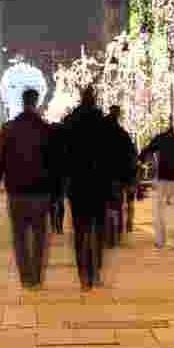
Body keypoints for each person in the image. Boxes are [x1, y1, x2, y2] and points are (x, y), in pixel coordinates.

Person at [0, 88, 56, 290]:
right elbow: (55, 162)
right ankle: (36, 277)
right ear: (36, 102)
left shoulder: (9, 128)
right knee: (39, 236)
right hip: (40, 191)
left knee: (19, 237)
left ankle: (26, 278)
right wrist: (56, 190)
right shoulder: (46, 129)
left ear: (22, 102)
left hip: (17, 192)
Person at [62, 86, 115, 290]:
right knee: (97, 231)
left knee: (80, 231)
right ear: (94, 100)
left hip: (77, 185)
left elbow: (62, 154)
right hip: (99, 185)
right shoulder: (103, 124)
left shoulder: (70, 122)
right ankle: (96, 272)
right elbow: (112, 155)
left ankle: (83, 275)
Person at [139, 120, 174, 249]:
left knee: (159, 210)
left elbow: (147, 149)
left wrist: (140, 160)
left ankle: (160, 241)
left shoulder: (159, 138)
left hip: (162, 176)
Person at [106, 106, 137, 248]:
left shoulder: (100, 132)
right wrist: (130, 178)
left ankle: (107, 234)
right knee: (117, 205)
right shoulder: (122, 134)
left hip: (103, 176)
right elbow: (131, 156)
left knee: (105, 205)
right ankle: (116, 235)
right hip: (118, 177)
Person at [48, 121, 68, 234]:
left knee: (51, 202)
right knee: (60, 202)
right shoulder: (64, 145)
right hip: (62, 177)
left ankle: (52, 224)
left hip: (51, 176)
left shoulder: (48, 144)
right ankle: (59, 226)